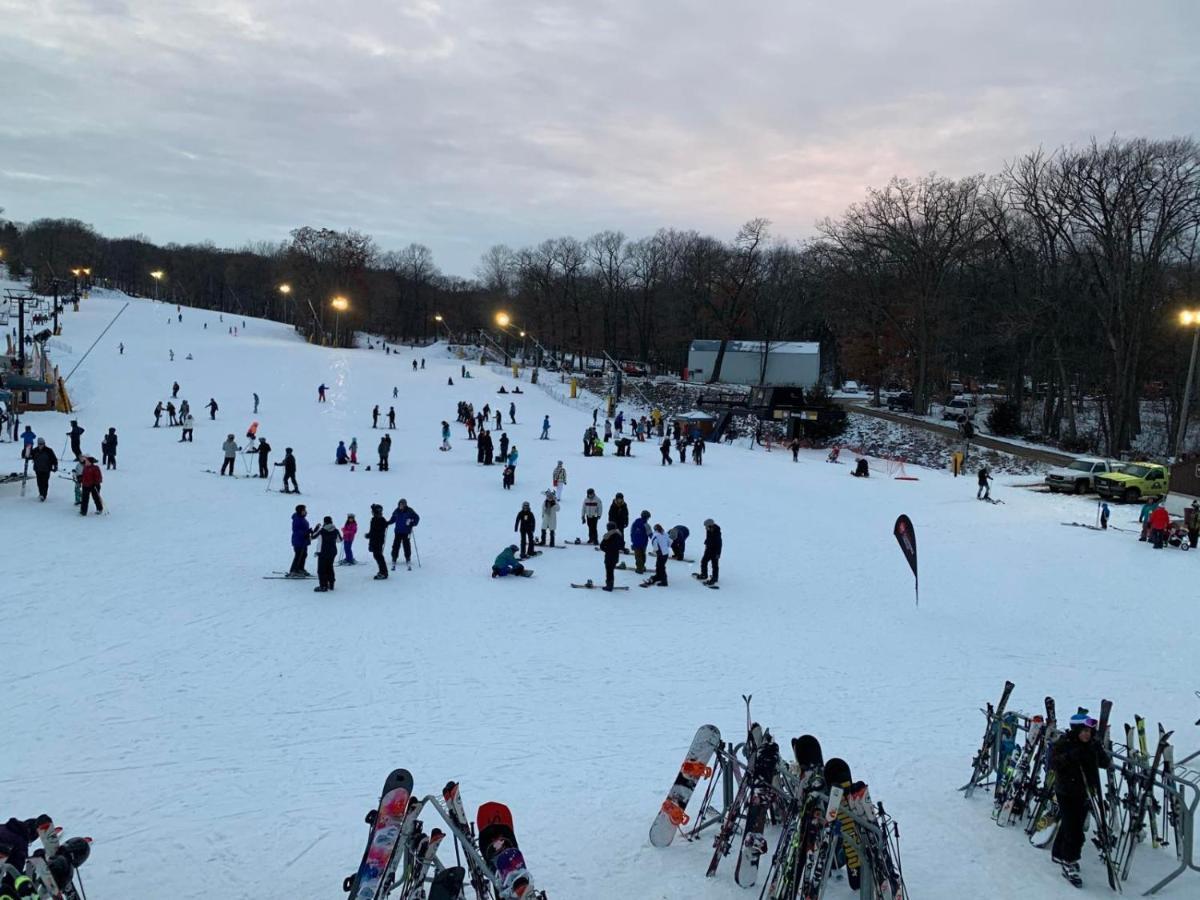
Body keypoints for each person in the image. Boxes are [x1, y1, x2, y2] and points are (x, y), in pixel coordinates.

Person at [1050, 713, 1109, 888]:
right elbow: (1053, 763)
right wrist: (1070, 757)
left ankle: (1059, 853)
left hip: (1084, 793)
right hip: (1066, 792)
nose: (1086, 735)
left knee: (1072, 825)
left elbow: (1105, 763)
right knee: (1074, 830)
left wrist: (1098, 748)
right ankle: (1069, 861)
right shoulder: (1065, 743)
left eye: (1089, 732)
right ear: (1076, 730)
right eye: (1083, 731)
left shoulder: (1091, 746)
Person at [388, 498, 420, 569]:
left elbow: (417, 518)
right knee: (396, 545)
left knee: (406, 546)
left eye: (403, 504)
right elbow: (393, 519)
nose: (401, 505)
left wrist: (412, 523)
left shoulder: (410, 511)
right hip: (398, 531)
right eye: (400, 504)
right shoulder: (396, 511)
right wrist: (388, 523)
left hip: (406, 532)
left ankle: (408, 557)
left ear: (405, 504)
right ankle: (394, 557)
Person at [312, 516, 342, 592]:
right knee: (330, 567)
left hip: (323, 552)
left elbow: (312, 537)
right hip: (332, 552)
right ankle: (331, 584)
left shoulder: (322, 531)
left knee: (321, 569)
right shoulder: (335, 530)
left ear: (324, 522)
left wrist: (316, 529)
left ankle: (323, 586)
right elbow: (340, 540)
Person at [599, 521, 624, 591]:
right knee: (611, 571)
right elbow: (621, 545)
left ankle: (609, 585)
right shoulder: (619, 534)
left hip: (609, 556)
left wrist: (607, 549)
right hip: (616, 556)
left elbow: (602, 546)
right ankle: (610, 584)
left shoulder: (607, 536)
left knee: (609, 571)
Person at [366, 504, 389, 578]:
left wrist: (369, 535)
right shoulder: (375, 519)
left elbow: (376, 531)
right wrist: (369, 535)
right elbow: (372, 530)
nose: (372, 513)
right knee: (377, 556)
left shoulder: (379, 520)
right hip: (375, 540)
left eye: (373, 511)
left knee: (378, 556)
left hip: (377, 541)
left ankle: (384, 572)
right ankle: (382, 571)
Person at [289, 505, 312, 576]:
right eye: (304, 510)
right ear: (300, 511)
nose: (305, 512)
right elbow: (296, 530)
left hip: (303, 540)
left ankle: (300, 568)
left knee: (304, 554)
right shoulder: (297, 519)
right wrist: (305, 533)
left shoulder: (302, 518)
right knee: (298, 555)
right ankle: (293, 570)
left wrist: (308, 531)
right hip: (298, 540)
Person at [699, 518, 721, 586]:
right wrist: (706, 543)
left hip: (715, 551)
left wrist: (718, 553)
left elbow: (719, 544)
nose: (705, 528)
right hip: (708, 550)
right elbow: (708, 538)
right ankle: (704, 574)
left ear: (710, 526)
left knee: (715, 565)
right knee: (703, 561)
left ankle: (715, 578)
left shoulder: (717, 533)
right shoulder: (709, 530)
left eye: (706, 526)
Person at [630, 509, 652, 574]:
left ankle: (640, 566)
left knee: (638, 556)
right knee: (642, 555)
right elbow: (650, 534)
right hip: (643, 544)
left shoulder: (635, 523)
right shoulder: (646, 525)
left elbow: (631, 532)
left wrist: (633, 540)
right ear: (647, 517)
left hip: (635, 543)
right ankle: (640, 569)